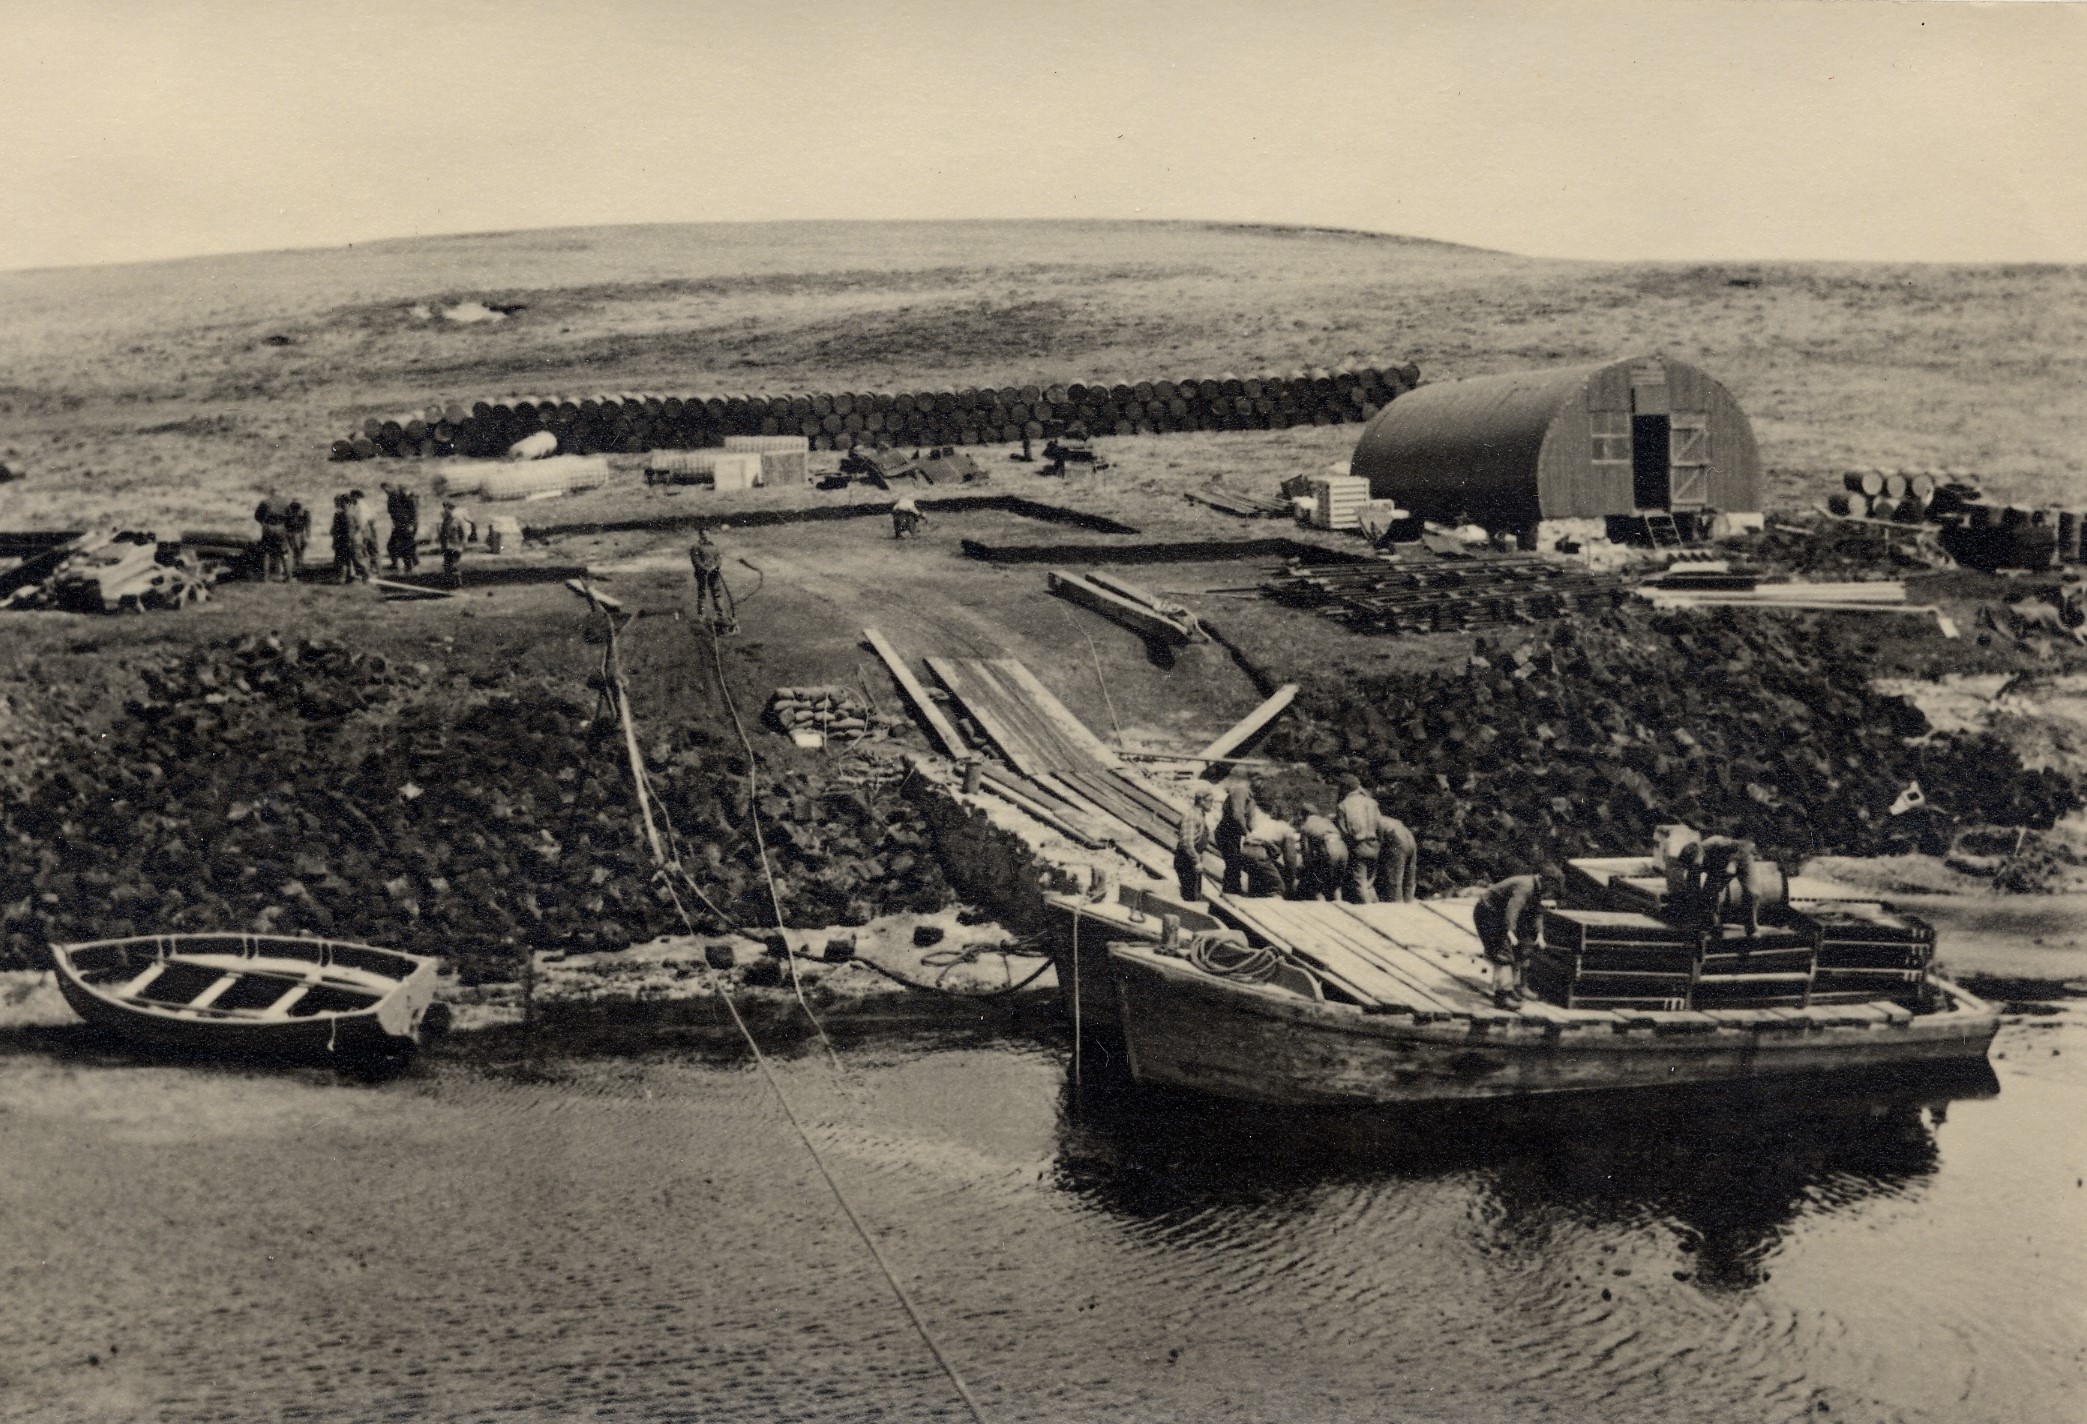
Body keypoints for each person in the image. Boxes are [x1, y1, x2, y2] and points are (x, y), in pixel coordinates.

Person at [1474, 872, 1548, 1009]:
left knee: (1518, 947)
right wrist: (1510, 932)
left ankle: (1511, 989)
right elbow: (1512, 909)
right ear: (1545, 880)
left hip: (1499, 914)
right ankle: (1502, 996)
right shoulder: (1525, 887)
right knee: (1502, 952)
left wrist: (1540, 934)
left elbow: (1537, 912)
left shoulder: (1537, 888)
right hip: (1487, 912)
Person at [1676, 834, 1761, 934]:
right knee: (1709, 895)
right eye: (1691, 868)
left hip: (1741, 859)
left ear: (1700, 854)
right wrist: (1694, 919)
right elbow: (1694, 892)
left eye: (1696, 865)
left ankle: (1752, 927)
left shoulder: (1716, 842)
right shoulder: (1692, 866)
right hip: (1719, 868)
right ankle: (1714, 926)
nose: (1695, 869)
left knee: (1752, 893)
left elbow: (1747, 845)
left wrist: (1732, 861)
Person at [1334, 773, 1385, 904]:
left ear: (1345, 788)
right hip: (1374, 845)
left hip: (1358, 845)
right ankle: (1379, 909)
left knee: (1359, 882)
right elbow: (1380, 825)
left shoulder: (1343, 805)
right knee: (1369, 883)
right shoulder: (1372, 802)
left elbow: (1343, 831)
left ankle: (1369, 912)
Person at [1214, 770, 1259, 896]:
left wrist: (1258, 835)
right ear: (1252, 780)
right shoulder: (1240, 791)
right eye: (1258, 780)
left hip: (1235, 834)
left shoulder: (1252, 797)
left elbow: (1250, 820)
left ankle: (1233, 891)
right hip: (1225, 832)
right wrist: (1247, 833)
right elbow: (1237, 815)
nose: (1261, 784)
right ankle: (1230, 893)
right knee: (1233, 864)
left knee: (1235, 863)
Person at [1239, 808, 1302, 899]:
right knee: (1278, 888)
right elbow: (1290, 859)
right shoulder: (1287, 830)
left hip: (1244, 852)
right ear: (1290, 819)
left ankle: (1252, 899)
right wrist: (1291, 880)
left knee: (1256, 882)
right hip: (1259, 854)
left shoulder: (1265, 823)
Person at [1173, 787, 1217, 904]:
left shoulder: (1199, 815)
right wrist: (1196, 860)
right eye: (1210, 801)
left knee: (1195, 894)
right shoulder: (1191, 816)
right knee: (1190, 897)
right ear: (1201, 801)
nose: (1212, 804)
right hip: (1186, 860)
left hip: (1191, 859)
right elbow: (1187, 842)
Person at [1296, 803, 1348, 901]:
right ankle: (1339, 901)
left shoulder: (1306, 826)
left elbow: (1306, 853)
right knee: (1337, 885)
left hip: (1328, 849)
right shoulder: (1326, 821)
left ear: (1304, 814)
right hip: (1343, 849)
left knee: (1317, 884)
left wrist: (1307, 868)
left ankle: (1321, 905)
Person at [253, 490, 292, 582]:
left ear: (271, 493)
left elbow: (257, 516)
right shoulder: (285, 502)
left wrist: (264, 524)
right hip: (281, 528)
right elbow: (290, 517)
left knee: (266, 552)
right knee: (284, 552)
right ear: (278, 493)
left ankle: (265, 577)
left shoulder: (265, 502)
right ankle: (288, 577)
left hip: (268, 528)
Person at [1380, 813, 1418, 903]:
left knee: (1394, 879)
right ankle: (1409, 904)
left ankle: (1397, 906)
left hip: (1396, 839)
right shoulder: (1386, 819)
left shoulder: (1374, 820)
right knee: (1409, 878)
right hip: (1409, 837)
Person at [384, 482, 420, 573]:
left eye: (401, 490)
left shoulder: (407, 499)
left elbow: (412, 513)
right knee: (406, 545)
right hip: (403, 525)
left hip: (405, 525)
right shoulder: (401, 498)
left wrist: (411, 525)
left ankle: (409, 566)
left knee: (404, 545)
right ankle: (413, 563)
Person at [347, 490, 378, 582]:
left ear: (356, 496)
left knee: (369, 549)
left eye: (352, 497)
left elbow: (362, 522)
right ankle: (371, 570)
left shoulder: (361, 506)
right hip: (364, 528)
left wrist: (357, 532)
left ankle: (373, 570)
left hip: (365, 528)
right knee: (367, 550)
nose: (351, 498)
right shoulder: (356, 505)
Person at [436, 499, 468, 588]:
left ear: (451, 509)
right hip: (446, 547)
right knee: (447, 566)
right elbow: (442, 536)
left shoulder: (457, 521)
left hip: (455, 547)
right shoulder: (444, 522)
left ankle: (458, 585)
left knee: (454, 566)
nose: (445, 511)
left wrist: (462, 546)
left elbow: (463, 535)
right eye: (445, 509)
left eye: (447, 509)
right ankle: (449, 584)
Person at [329, 494, 355, 584]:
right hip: (343, 539)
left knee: (341, 559)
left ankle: (342, 578)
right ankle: (347, 577)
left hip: (342, 539)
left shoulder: (342, 514)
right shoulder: (345, 513)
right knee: (345, 559)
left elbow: (344, 528)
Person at [283, 499, 311, 573]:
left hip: (294, 533)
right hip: (297, 533)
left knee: (295, 551)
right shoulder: (303, 513)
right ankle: (298, 565)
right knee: (298, 551)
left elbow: (285, 524)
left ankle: (296, 565)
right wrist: (308, 534)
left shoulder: (290, 514)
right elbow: (307, 525)